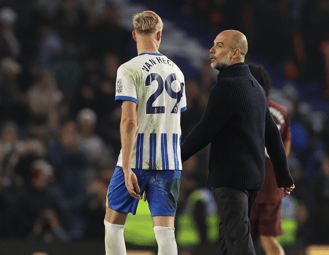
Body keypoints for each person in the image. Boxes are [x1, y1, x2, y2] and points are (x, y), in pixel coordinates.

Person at [181, 30, 295, 255]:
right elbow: (272, 136)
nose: (212, 50)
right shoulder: (255, 88)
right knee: (228, 237)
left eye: (219, 45)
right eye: (213, 44)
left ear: (234, 53)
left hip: (230, 177)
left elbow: (205, 131)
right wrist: (283, 175)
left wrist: (174, 158)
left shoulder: (226, 86)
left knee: (238, 239)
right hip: (252, 177)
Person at [104, 11, 187, 255]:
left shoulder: (129, 69)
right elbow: (177, 116)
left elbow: (129, 120)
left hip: (137, 158)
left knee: (113, 226)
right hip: (169, 161)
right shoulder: (178, 72)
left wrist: (127, 167)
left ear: (134, 35)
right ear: (159, 34)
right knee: (165, 233)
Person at [247, 63, 291, 255]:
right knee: (268, 238)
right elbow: (285, 152)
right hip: (273, 186)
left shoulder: (241, 111)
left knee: (240, 237)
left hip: (249, 185)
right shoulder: (282, 113)